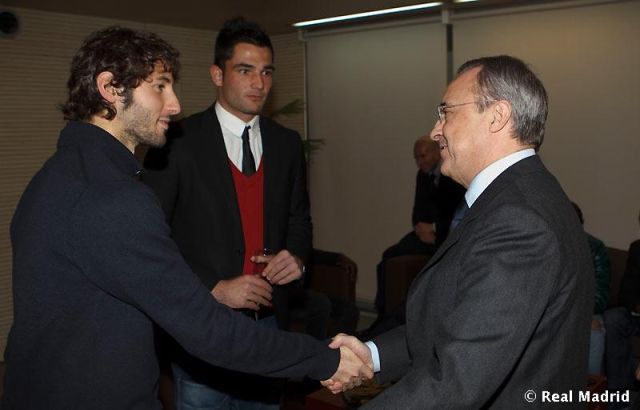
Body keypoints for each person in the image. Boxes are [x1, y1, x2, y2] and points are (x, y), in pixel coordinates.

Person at [0, 26, 371, 410]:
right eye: (160, 87)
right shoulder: (113, 198)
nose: (175, 105)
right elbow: (207, 329)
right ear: (110, 88)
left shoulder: (55, 175)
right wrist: (325, 359)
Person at [325, 55, 594, 408]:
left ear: (497, 116)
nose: (435, 131)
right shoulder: (516, 199)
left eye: (446, 112)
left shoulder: (520, 221)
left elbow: (456, 382)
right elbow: (459, 323)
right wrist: (372, 354)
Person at [143, 17, 313, 409]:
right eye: (245, 70)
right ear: (218, 75)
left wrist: (297, 259)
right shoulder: (176, 141)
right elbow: (151, 238)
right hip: (203, 325)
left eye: (266, 72)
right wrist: (213, 288)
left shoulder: (286, 143)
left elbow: (299, 219)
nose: (259, 83)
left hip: (268, 325)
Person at [371, 137, 464, 322]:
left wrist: (436, 230)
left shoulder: (453, 174)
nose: (419, 162)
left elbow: (458, 213)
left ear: (437, 152)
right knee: (388, 256)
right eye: (416, 158)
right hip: (423, 234)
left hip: (447, 235)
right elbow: (417, 212)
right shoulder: (422, 176)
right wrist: (422, 230)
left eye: (423, 156)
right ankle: (383, 314)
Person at [604, 209, 640, 410]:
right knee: (613, 317)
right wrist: (636, 305)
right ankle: (619, 399)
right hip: (637, 315)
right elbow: (626, 293)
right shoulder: (637, 249)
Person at [571, 202, 610, 375]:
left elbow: (600, 298)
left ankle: (593, 387)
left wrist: (581, 316)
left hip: (585, 311)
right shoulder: (545, 242)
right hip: (554, 312)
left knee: (595, 334)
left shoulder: (595, 249)